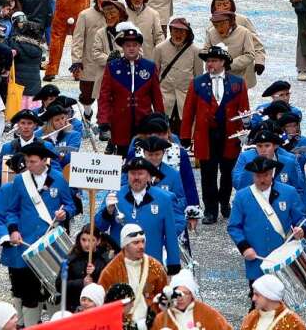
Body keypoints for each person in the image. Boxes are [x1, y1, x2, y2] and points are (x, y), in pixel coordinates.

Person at [0, 141, 76, 327]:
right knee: (29, 293)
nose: (28, 165)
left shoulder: (59, 179)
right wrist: (13, 231)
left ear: (44, 161)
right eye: (27, 161)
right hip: (26, 244)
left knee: (54, 290)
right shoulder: (21, 180)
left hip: (49, 245)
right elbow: (11, 210)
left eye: (32, 161)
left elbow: (71, 205)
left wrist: (65, 213)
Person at [180, 43, 249, 224]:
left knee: (228, 172)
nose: (210, 64)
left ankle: (225, 203)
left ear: (224, 63)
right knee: (207, 174)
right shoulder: (196, 83)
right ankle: (210, 209)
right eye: (208, 60)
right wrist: (185, 135)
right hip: (205, 136)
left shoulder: (238, 83)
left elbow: (244, 111)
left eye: (215, 60)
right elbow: (188, 112)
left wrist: (246, 135)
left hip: (230, 136)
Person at [227, 155, 306, 287]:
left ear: (272, 173)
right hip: (256, 258)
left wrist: (302, 229)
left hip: (284, 259)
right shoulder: (242, 196)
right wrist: (244, 248)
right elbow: (234, 227)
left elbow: (302, 218)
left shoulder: (289, 192)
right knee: (257, 302)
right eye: (257, 176)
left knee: (284, 303)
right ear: (253, 176)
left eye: (265, 175)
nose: (261, 180)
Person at [95, 157, 181, 272]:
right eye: (132, 173)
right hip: (121, 266)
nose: (136, 177)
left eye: (140, 174)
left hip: (151, 266)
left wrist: (173, 268)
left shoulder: (165, 199)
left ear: (149, 176)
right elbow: (97, 228)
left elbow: (171, 236)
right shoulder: (114, 195)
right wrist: (107, 212)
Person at [97, 23, 164, 154]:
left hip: (144, 121)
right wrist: (103, 119)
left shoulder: (149, 67)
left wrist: (160, 117)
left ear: (139, 46)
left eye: (135, 45)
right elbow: (104, 95)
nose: (131, 49)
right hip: (120, 122)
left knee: (145, 157)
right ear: (123, 47)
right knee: (122, 158)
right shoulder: (113, 67)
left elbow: (156, 96)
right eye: (128, 46)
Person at [151, 269, 232, 330]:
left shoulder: (206, 313)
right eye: (178, 293)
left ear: (191, 295)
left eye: (185, 293)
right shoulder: (162, 318)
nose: (181, 298)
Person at [240, 274, 306, 330]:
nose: (253, 298)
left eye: (257, 295)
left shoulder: (293, 322)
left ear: (269, 296)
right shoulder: (251, 317)